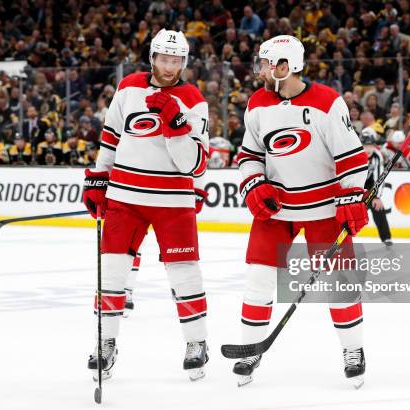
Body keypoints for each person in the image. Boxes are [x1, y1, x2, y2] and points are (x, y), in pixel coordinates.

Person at [233, 35, 369, 388]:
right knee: (258, 278)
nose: (261, 70)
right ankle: (250, 348)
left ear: (285, 66)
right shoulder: (257, 103)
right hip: (278, 207)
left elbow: (352, 159)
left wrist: (352, 197)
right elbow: (249, 155)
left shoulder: (327, 102)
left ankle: (353, 350)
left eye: (266, 63)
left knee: (340, 282)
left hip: (324, 207)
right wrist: (255, 184)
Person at [81, 29, 211, 382]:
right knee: (110, 273)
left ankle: (196, 342)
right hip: (125, 198)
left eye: (176, 61)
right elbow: (111, 137)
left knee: (185, 274)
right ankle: (105, 341)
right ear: (152, 57)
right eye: (164, 59)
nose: (170, 67)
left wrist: (176, 124)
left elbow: (195, 165)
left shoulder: (193, 99)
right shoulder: (128, 88)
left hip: (173, 201)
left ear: (183, 62)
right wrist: (98, 177)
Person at [361, 128, 392, 247]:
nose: (368, 149)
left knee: (378, 208)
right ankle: (340, 240)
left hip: (369, 188)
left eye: (371, 145)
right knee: (350, 215)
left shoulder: (377, 156)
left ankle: (386, 238)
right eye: (365, 145)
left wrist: (376, 197)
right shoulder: (354, 155)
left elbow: (380, 177)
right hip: (354, 188)